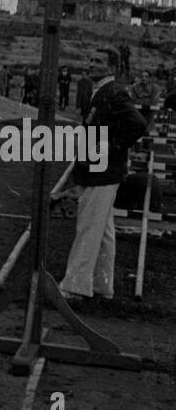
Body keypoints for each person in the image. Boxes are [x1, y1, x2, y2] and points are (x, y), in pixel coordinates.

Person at [58, 60, 148, 304]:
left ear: (110, 67)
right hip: (97, 169)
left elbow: (139, 124)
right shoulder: (101, 91)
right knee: (104, 230)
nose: (91, 65)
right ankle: (102, 284)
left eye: (98, 62)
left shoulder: (114, 91)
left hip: (103, 172)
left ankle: (75, 286)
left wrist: (112, 144)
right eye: (91, 60)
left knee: (88, 227)